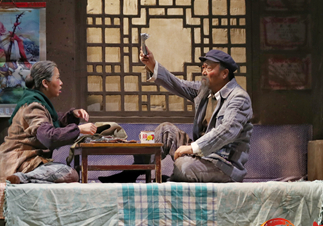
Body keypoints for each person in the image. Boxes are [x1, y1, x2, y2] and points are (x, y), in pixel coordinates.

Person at [102, 48, 253, 183]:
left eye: (209, 68)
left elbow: (226, 131)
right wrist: (152, 64)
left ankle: (169, 181)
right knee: (165, 130)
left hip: (223, 165)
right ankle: (133, 172)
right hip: (201, 156)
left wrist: (192, 148)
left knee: (184, 166)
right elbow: (178, 84)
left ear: (224, 73)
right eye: (203, 67)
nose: (203, 72)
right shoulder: (205, 90)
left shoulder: (239, 98)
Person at [0, 60, 97, 184]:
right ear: (45, 83)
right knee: (69, 173)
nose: (61, 83)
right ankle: (23, 178)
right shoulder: (32, 107)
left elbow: (54, 120)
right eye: (57, 78)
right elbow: (49, 137)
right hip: (18, 163)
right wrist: (79, 129)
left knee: (65, 176)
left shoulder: (39, 104)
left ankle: (25, 179)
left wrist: (73, 115)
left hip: (30, 162)